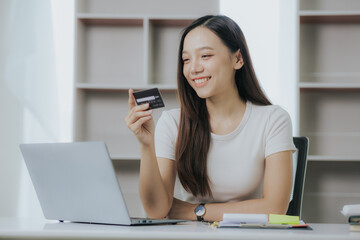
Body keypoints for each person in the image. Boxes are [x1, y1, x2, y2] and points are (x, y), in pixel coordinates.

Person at [125, 15, 296, 222]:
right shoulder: (172, 122)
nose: (193, 68)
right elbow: (157, 210)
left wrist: (194, 211)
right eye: (186, 59)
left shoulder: (273, 119)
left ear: (238, 59)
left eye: (205, 56)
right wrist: (146, 146)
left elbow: (275, 208)